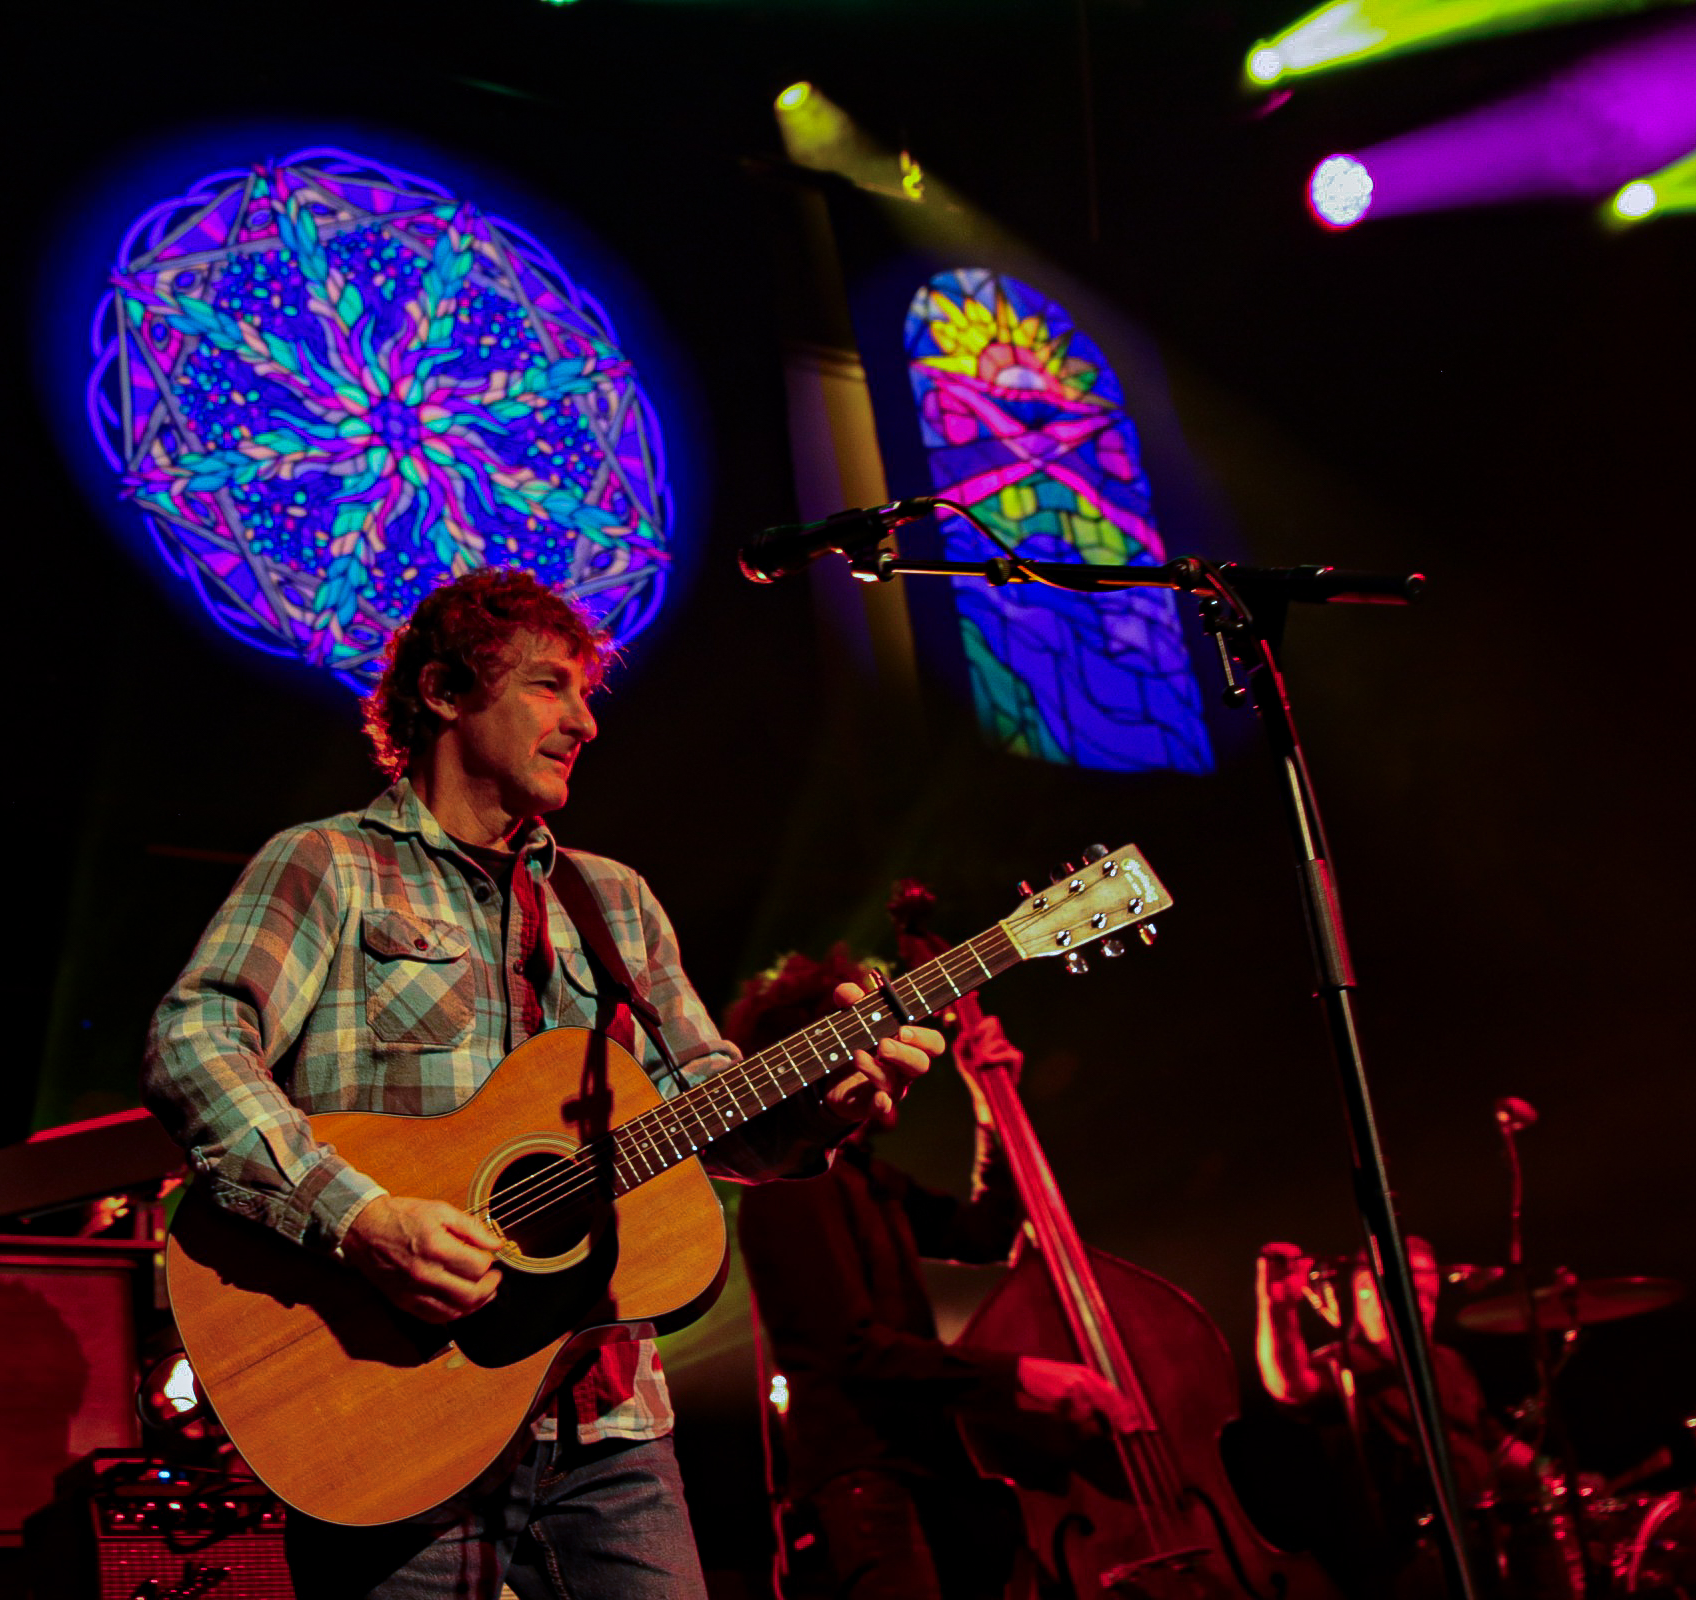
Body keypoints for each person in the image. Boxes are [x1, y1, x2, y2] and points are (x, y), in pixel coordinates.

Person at [142, 568, 944, 1599]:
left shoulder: (614, 899)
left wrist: (815, 1112)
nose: (585, 722)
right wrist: (360, 1219)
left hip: (610, 1424)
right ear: (443, 691)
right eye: (549, 685)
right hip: (384, 1412)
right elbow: (194, 1039)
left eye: (586, 693)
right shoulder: (329, 865)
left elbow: (706, 1106)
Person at [731, 934, 1126, 1600]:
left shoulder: (868, 1178)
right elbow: (853, 1350)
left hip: (924, 1471)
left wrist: (990, 1101)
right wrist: (1022, 1374)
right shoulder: (790, 1189)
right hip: (864, 1483)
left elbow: (984, 1235)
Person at [1255, 1235, 1532, 1597]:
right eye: (1411, 1290)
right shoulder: (1345, 1363)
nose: (1424, 1304)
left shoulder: (1450, 1362)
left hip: (1483, 1541)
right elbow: (1290, 1385)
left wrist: (1550, 1474)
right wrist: (1278, 1307)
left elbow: (1492, 1441)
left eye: (1430, 1293)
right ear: (1365, 1290)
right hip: (1407, 1561)